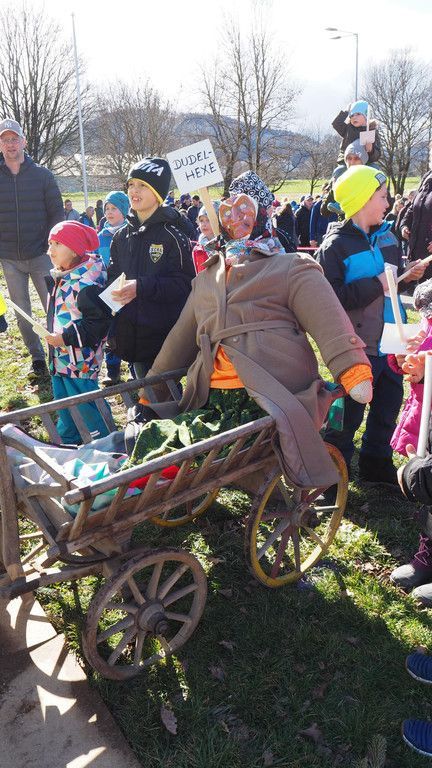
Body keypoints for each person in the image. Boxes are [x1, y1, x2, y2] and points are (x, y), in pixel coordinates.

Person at [124, 170, 372, 491]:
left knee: (195, 446)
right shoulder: (207, 280)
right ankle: (147, 479)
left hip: (270, 393)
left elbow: (327, 318)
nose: (235, 223)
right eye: (228, 216)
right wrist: (151, 391)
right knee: (165, 440)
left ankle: (155, 480)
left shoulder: (290, 268)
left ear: (263, 216)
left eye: (245, 215)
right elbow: (179, 341)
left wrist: (351, 367)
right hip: (211, 398)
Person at [317, 165, 427, 488]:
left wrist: (407, 274)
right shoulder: (335, 247)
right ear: (362, 199)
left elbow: (392, 282)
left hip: (392, 344)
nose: (387, 202)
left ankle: (375, 464)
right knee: (346, 413)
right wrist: (376, 284)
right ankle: (333, 470)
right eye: (381, 196)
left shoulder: (389, 237)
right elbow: (331, 298)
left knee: (387, 406)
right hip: (356, 346)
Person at [107, 156, 195, 380]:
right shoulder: (121, 236)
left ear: (158, 193)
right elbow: (114, 276)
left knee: (162, 390)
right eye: (131, 184)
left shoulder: (173, 236)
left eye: (143, 185)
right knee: (141, 383)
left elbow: (185, 284)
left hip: (163, 333)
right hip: (131, 332)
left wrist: (141, 287)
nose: (134, 190)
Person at [0, 118, 64, 379]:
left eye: (14, 139)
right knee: (22, 312)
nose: (10, 144)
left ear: (23, 142)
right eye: (5, 140)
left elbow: (57, 214)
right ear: (0, 145)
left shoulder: (43, 175)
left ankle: (58, 354)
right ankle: (37, 358)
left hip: (41, 255)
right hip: (9, 258)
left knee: (54, 308)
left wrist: (54, 247)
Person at [44, 221, 112, 445]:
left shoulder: (86, 284)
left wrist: (64, 338)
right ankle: (68, 440)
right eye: (50, 244)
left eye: (57, 244)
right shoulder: (62, 276)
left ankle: (105, 441)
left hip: (80, 361)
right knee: (63, 402)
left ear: (74, 249)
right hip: (60, 357)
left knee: (86, 403)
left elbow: (96, 325)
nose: (50, 250)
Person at [97, 191, 130, 386]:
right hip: (107, 290)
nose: (109, 212)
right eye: (107, 209)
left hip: (126, 288)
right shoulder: (100, 236)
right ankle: (113, 370)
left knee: (130, 328)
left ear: (124, 211)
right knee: (111, 332)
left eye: (114, 208)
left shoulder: (131, 233)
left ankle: (135, 367)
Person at [332, 100, 381, 167]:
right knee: (339, 170)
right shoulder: (348, 129)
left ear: (366, 116)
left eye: (358, 114)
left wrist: (371, 150)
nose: (354, 117)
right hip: (346, 161)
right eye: (351, 115)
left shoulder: (371, 131)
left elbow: (377, 155)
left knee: (375, 168)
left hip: (365, 162)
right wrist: (346, 112)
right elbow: (336, 124)